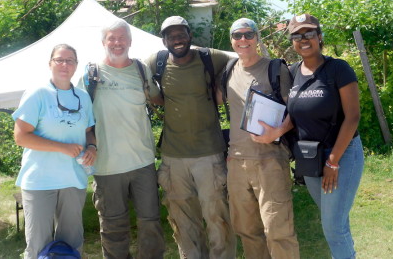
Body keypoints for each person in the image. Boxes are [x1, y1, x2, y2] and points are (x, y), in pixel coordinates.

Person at [258, 13, 364, 259]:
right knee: (335, 221)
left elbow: (353, 117)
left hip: (342, 154)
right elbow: (293, 115)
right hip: (311, 159)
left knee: (333, 227)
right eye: (297, 35)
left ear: (319, 37)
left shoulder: (338, 69)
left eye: (309, 34)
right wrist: (278, 131)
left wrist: (333, 161)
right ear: (292, 41)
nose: (303, 39)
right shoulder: (292, 72)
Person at [146, 16, 236, 259]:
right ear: (164, 40)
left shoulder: (210, 57)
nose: (177, 39)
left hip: (210, 154)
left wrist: (220, 88)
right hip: (173, 157)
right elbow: (136, 76)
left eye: (181, 34)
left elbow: (239, 60)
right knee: (182, 220)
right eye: (171, 36)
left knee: (217, 217)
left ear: (190, 36)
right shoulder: (157, 61)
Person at [79, 19, 165, 259]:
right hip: (107, 165)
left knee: (151, 222)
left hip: (142, 162)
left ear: (130, 41)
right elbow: (81, 117)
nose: (117, 43)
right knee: (113, 226)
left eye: (122, 38)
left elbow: (159, 99)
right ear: (103, 42)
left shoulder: (141, 69)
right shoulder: (90, 73)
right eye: (112, 38)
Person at [222, 18, 300, 258]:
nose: (243, 40)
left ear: (257, 38)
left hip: (270, 160)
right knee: (246, 230)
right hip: (236, 162)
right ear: (232, 40)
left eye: (248, 34)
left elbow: (297, 111)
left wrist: (278, 132)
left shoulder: (274, 69)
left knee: (278, 230)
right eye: (237, 35)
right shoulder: (228, 70)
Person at [12, 44, 96, 259]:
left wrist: (92, 147)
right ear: (50, 63)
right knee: (39, 246)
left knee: (72, 245)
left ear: (76, 65)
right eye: (59, 59)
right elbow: (21, 137)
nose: (64, 64)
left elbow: (88, 131)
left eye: (70, 60)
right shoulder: (38, 93)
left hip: (73, 180)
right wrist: (61, 147)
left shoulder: (83, 98)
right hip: (40, 181)